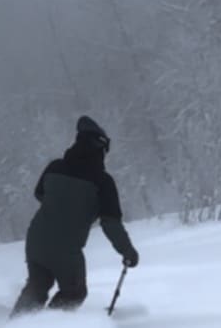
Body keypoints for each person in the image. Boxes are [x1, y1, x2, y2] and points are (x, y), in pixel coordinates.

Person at [11, 116, 139, 316]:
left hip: (36, 239)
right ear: (100, 148)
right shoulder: (103, 182)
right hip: (65, 248)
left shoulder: (55, 167)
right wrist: (128, 252)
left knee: (37, 287)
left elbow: (39, 193)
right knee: (74, 292)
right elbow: (110, 223)